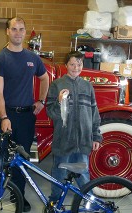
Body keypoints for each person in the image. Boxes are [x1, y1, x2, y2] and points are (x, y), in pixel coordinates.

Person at [0, 16, 49, 212]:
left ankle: (18, 196)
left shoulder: (32, 58)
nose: (18, 33)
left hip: (26, 117)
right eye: (14, 29)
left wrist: (41, 101)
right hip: (5, 115)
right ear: (7, 31)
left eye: (21, 29)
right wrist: (4, 117)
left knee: (22, 160)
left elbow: (45, 78)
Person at [46, 50, 102, 202]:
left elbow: (94, 112)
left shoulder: (87, 86)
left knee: (83, 174)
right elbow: (51, 112)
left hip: (83, 141)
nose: (76, 67)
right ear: (66, 65)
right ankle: (55, 202)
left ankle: (90, 203)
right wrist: (58, 101)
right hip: (63, 140)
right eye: (72, 64)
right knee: (59, 174)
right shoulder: (56, 85)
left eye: (79, 64)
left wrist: (96, 136)